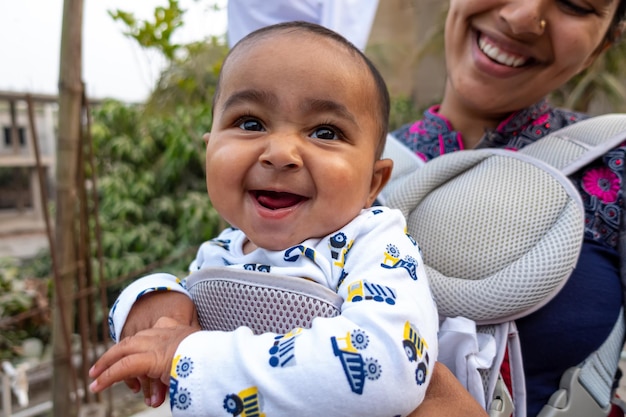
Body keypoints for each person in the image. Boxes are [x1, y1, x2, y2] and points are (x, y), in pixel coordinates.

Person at [89, 21, 440, 417]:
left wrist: (186, 355)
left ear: (373, 181)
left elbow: (388, 365)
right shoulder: (221, 250)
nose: (280, 153)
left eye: (325, 131)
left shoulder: (374, 244)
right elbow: (172, 313)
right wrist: (152, 297)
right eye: (250, 124)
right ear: (210, 151)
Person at [386, 0, 626, 416]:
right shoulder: (343, 167)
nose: (522, 17)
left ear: (603, 44)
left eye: (576, 3)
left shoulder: (616, 169)